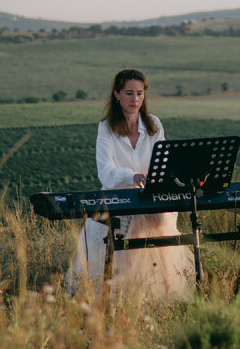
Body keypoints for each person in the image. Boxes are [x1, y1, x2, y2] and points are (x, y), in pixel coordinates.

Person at [67, 68, 194, 299]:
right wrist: (131, 176)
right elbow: (105, 172)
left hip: (150, 199)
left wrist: (160, 177)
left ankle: (147, 299)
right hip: (119, 199)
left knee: (158, 233)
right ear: (116, 94)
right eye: (128, 93)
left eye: (139, 93)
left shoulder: (154, 124)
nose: (135, 99)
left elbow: (163, 162)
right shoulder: (106, 128)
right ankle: (115, 299)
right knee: (113, 241)